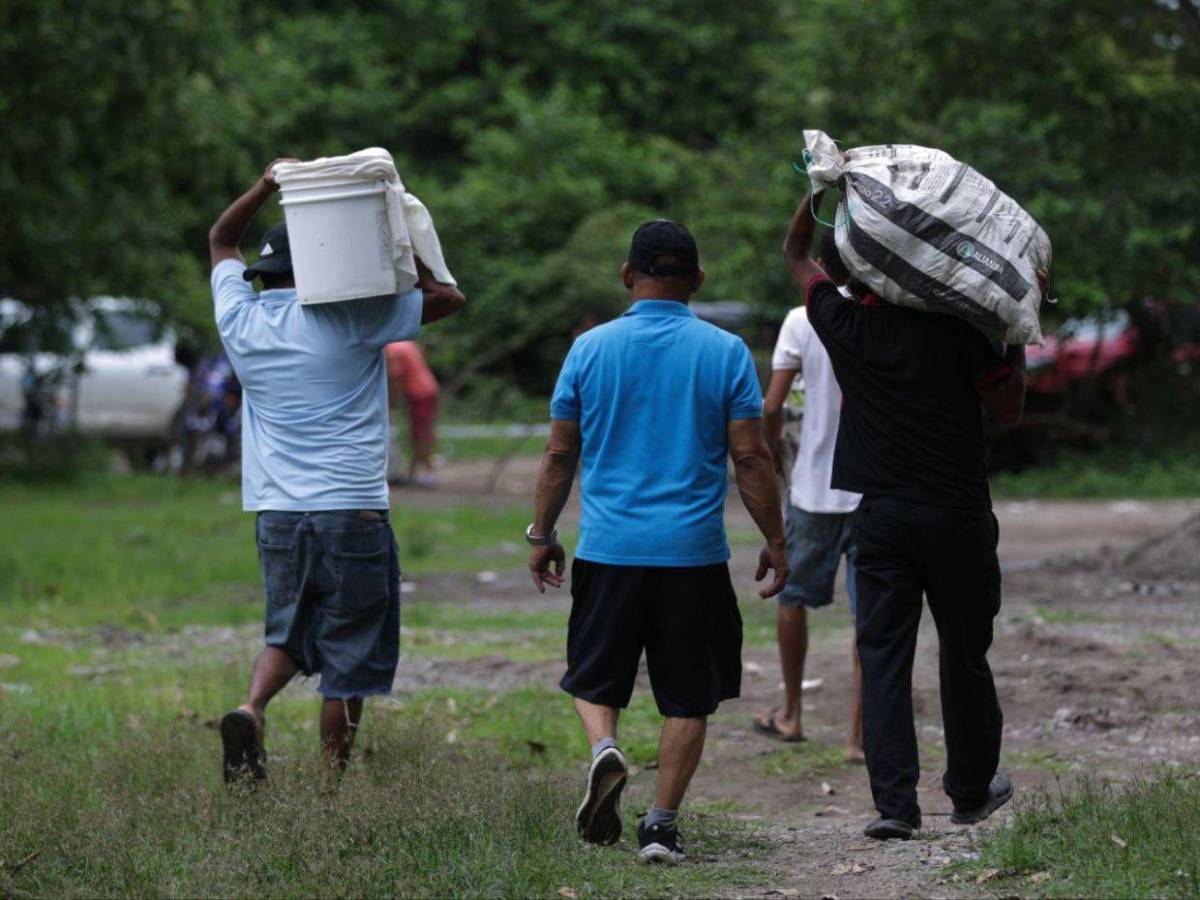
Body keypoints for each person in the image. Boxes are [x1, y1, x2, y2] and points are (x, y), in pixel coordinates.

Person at [527, 220, 789, 863]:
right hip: (691, 553)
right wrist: (777, 539)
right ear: (697, 281)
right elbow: (751, 458)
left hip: (608, 549)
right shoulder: (725, 352)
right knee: (689, 694)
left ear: (627, 275)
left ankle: (604, 750)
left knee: (595, 674)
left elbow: (561, 452)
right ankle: (661, 827)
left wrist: (542, 533)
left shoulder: (589, 350)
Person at [781, 190, 1031, 841]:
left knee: (884, 655)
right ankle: (971, 791)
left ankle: (896, 806)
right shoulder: (959, 330)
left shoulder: (845, 325)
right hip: (957, 515)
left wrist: (820, 192)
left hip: (883, 519)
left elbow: (796, 253)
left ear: (861, 272)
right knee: (964, 654)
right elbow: (1008, 409)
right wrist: (1014, 331)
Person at [208, 159, 466, 783]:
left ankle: (252, 707)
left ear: (263, 275)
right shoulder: (353, 318)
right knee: (350, 655)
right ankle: (330, 792)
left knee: (288, 632)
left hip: (277, 511)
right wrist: (402, 223)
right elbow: (448, 297)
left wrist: (269, 185)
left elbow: (221, 239)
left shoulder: (239, 320)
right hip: (351, 509)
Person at [755, 228, 864, 760]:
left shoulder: (802, 319)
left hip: (813, 485)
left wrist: (775, 458)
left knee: (793, 598)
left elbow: (772, 407)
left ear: (819, 263)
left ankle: (793, 713)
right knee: (873, 617)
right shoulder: (882, 311)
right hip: (872, 489)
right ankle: (858, 736)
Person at [385, 341, 440, 488]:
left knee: (421, 434)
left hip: (419, 392)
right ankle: (414, 473)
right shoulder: (405, 343)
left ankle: (427, 473)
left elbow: (395, 378)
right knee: (421, 432)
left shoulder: (392, 350)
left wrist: (392, 404)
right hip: (428, 388)